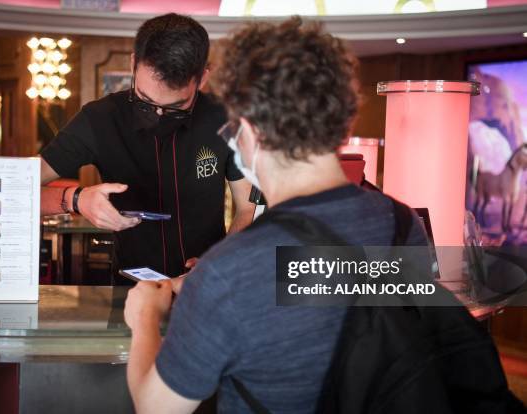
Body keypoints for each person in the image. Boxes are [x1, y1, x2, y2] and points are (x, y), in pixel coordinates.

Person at [124, 18, 430, 413]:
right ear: (345, 121)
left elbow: (156, 408)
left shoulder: (227, 270)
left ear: (248, 131)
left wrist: (146, 317)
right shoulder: (405, 226)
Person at [40, 14, 254, 278]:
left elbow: (249, 207)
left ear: (202, 79)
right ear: (133, 63)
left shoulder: (224, 118)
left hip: (207, 285)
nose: (159, 116)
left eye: (176, 107)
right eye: (145, 101)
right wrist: (75, 199)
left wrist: (222, 258)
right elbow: (11, 188)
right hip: (129, 294)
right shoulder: (100, 118)